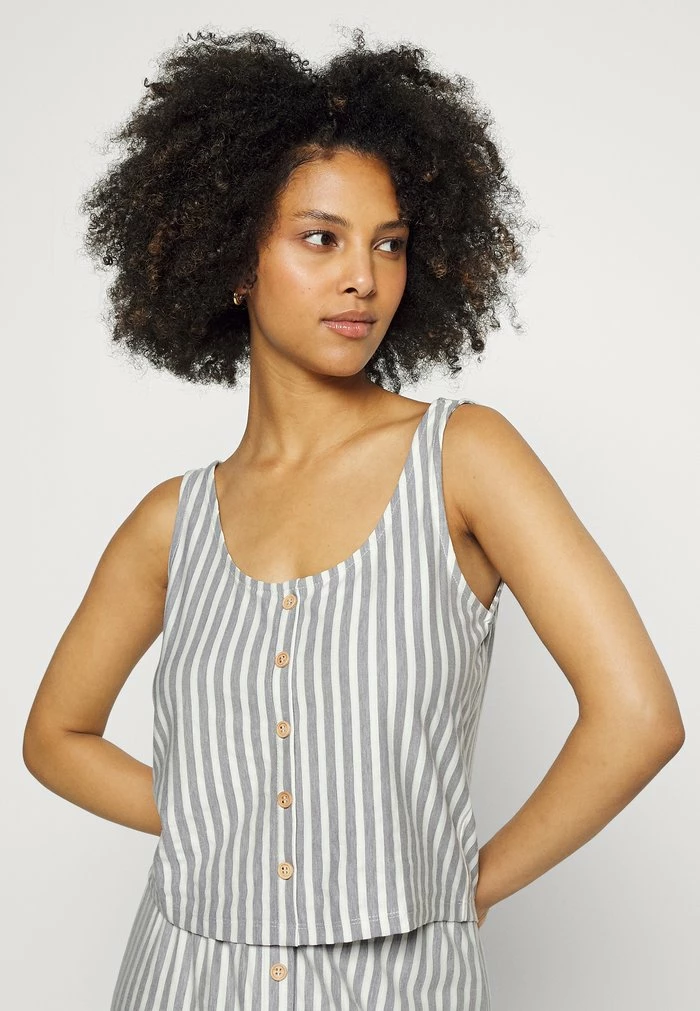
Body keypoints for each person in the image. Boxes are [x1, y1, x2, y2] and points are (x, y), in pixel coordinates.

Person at [22, 27, 684, 1011]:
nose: (363, 279)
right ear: (235, 256)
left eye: (389, 243)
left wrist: (468, 888)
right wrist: (224, 822)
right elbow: (56, 735)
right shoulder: (173, 522)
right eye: (321, 238)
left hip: (398, 984)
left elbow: (639, 718)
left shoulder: (465, 458)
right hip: (184, 976)